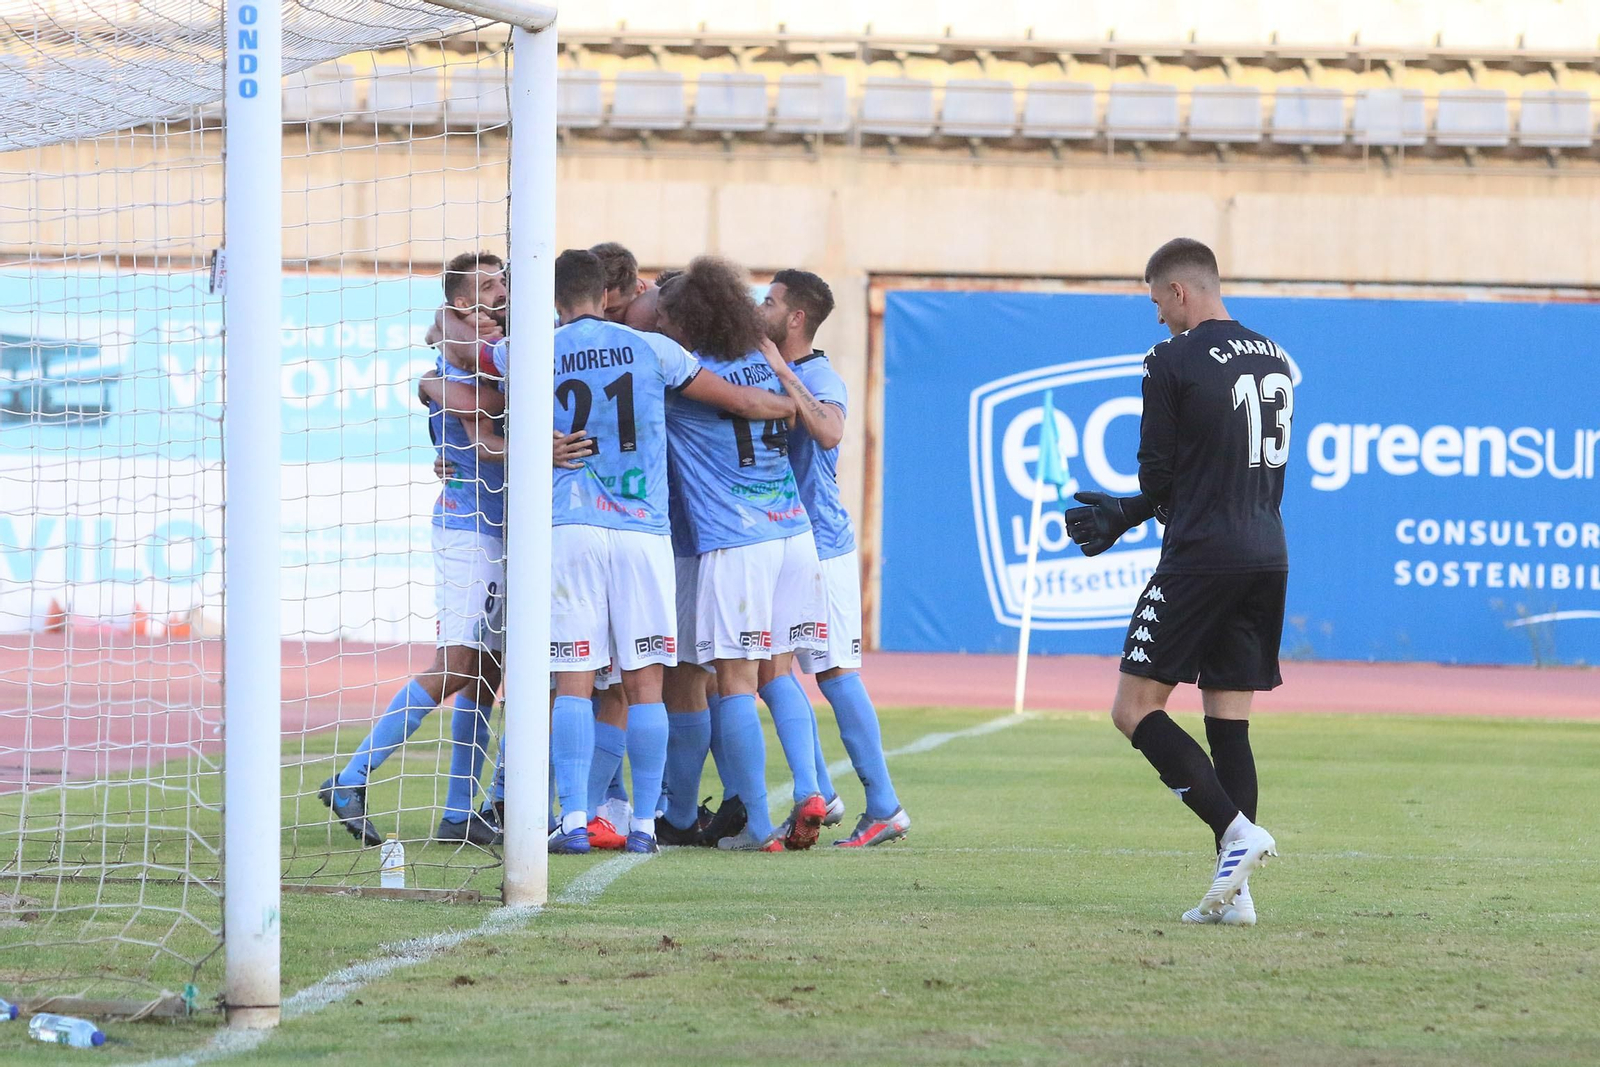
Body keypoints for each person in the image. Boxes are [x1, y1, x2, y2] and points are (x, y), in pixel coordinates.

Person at [1064, 237, 1289, 925]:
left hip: (1200, 554)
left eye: (1157, 300)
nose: (1157, 316)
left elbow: (1160, 478)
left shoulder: (1171, 359)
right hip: (1267, 550)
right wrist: (1137, 510)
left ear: (1180, 291)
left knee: (1133, 708)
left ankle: (1236, 832)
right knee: (1229, 725)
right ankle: (1237, 896)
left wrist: (1123, 514)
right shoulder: (1274, 355)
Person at [544, 249, 798, 854]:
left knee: (574, 680)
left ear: (556, 298)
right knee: (646, 685)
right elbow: (739, 401)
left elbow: (467, 374)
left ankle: (574, 821)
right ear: (607, 293)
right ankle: (643, 828)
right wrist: (793, 405)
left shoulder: (532, 347)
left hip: (572, 524)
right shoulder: (655, 349)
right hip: (645, 533)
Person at [320, 253, 510, 847]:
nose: (500, 293)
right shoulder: (456, 366)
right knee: (456, 663)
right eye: (486, 287)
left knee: (486, 673)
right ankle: (351, 778)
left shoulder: (486, 355)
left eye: (503, 282)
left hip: (499, 531)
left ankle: (459, 813)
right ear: (459, 306)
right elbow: (483, 427)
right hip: (468, 530)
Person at [657, 257, 829, 852]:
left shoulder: (684, 374)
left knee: (733, 680)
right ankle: (809, 787)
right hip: (793, 532)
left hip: (737, 540)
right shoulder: (764, 361)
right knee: (778, 669)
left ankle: (759, 827)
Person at [759, 270, 913, 848]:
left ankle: (886, 805)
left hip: (822, 546)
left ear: (795, 318)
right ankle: (823, 790)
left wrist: (781, 372)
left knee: (835, 673)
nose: (761, 307)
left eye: (770, 301)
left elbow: (827, 431)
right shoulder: (772, 368)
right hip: (781, 544)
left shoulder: (819, 376)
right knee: (767, 670)